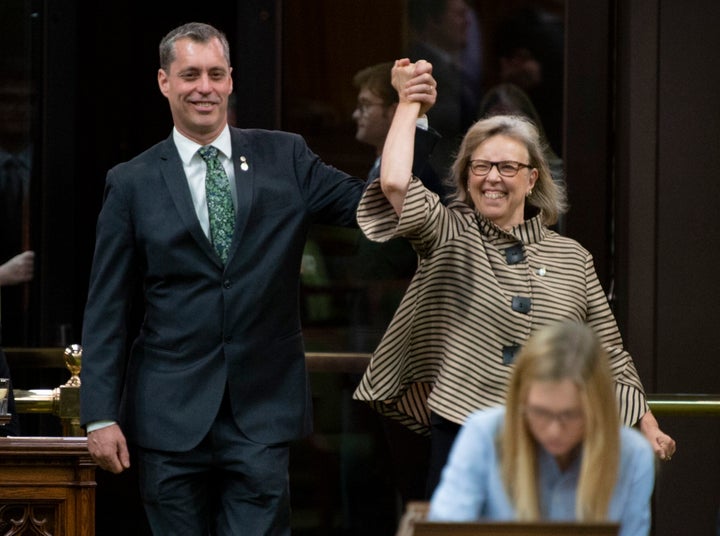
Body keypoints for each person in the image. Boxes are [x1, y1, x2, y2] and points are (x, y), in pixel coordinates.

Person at [79, 23, 437, 535]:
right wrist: (99, 415)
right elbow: (107, 306)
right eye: (190, 75)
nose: (204, 86)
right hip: (168, 416)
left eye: (215, 74)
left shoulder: (285, 157)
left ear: (230, 81)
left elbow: (379, 205)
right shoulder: (131, 181)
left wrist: (409, 117)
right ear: (164, 82)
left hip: (261, 414)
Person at [353, 59, 675, 498]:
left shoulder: (573, 257)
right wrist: (409, 102)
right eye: (480, 167)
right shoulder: (450, 233)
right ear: (466, 177)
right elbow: (393, 183)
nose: (492, 179)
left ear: (531, 179)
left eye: (507, 168)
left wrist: (647, 423)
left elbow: (609, 351)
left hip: (550, 438)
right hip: (462, 434)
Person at [428, 321, 655, 536]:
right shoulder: (485, 434)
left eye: (570, 415)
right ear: (520, 401)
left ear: (597, 409)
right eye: (540, 412)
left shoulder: (633, 455)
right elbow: (446, 528)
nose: (554, 430)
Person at [406, 0, 482, 178]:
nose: (468, 22)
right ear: (434, 20)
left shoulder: (454, 66)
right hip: (438, 174)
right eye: (459, 15)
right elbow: (446, 118)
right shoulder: (417, 65)